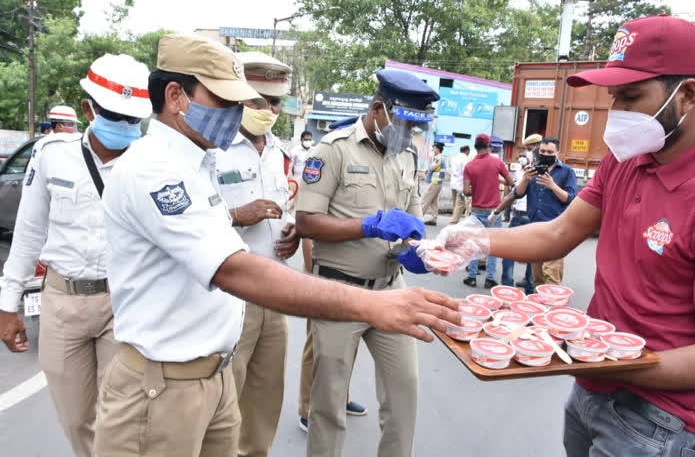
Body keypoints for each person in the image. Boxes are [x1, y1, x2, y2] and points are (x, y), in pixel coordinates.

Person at [94, 34, 458, 457]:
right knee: (328, 404)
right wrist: (371, 301)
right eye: (226, 101)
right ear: (175, 96)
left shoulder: (199, 163)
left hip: (212, 373)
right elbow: (234, 268)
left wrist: (419, 250)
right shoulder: (155, 170)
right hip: (164, 385)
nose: (240, 114)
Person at [435, 15, 695, 456]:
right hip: (591, 391)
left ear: (687, 94)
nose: (617, 114)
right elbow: (559, 232)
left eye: (631, 96)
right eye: (614, 98)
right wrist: (476, 240)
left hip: (658, 420)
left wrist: (598, 354)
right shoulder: (626, 159)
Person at [0, 53, 153, 457]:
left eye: (131, 119)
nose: (123, 126)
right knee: (75, 419)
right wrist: (7, 303)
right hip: (62, 303)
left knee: (120, 416)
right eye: (113, 115)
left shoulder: (151, 164)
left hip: (123, 304)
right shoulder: (53, 154)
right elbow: (28, 231)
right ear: (88, 109)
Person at [296, 69, 438, 457]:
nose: (409, 137)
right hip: (339, 291)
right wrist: (366, 225)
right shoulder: (333, 149)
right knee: (328, 402)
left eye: (415, 130)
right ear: (380, 109)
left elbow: (412, 222)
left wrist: (420, 251)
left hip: (391, 290)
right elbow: (306, 221)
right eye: (405, 126)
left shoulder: (406, 154)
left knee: (404, 393)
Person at [214, 51, 298, 457]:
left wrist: (295, 235)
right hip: (230, 298)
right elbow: (189, 221)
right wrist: (233, 215)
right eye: (257, 100)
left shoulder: (282, 154)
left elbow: (290, 209)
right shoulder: (213, 151)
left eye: (275, 102)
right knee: (223, 402)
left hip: (274, 295)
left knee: (265, 400)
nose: (268, 110)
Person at [296, 113, 368, 433]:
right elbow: (309, 224)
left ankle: (341, 395)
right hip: (324, 269)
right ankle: (307, 408)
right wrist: (312, 272)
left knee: (345, 345)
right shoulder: (322, 159)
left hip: (351, 270)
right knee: (319, 346)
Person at [501, 136, 577, 286]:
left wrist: (552, 185)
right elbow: (518, 193)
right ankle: (538, 307)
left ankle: (552, 306)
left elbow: (570, 199)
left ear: (557, 152)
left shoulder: (567, 172)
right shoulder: (533, 169)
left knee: (551, 277)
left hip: (556, 231)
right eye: (542, 151)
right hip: (535, 228)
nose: (545, 154)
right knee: (537, 278)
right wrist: (525, 179)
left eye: (550, 152)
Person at [461, 133, 514, 289]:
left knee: (475, 244)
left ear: (475, 147)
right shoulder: (497, 162)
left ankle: (471, 277)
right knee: (492, 245)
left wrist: (477, 188)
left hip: (476, 211)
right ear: (489, 147)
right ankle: (489, 279)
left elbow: (466, 191)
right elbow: (511, 183)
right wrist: (496, 180)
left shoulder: (469, 166)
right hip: (494, 212)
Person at [492, 151, 534, 293]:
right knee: (509, 250)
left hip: (529, 215)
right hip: (518, 213)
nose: (522, 159)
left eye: (525, 157)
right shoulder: (519, 172)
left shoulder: (534, 173)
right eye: (520, 157)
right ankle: (508, 283)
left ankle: (526, 283)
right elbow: (513, 191)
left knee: (532, 252)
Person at [421, 141, 446, 225]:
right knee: (433, 201)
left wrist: (430, 161)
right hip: (437, 182)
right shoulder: (440, 157)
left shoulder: (438, 158)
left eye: (434, 148)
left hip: (435, 182)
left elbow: (432, 167)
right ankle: (434, 218)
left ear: (438, 149)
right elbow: (434, 168)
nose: (432, 149)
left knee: (426, 199)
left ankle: (418, 217)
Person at [448, 145, 471, 223]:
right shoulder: (465, 158)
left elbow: (451, 169)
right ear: (467, 151)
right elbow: (466, 172)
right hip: (460, 184)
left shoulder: (454, 158)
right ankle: (453, 222)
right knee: (460, 204)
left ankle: (454, 219)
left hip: (453, 183)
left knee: (455, 204)